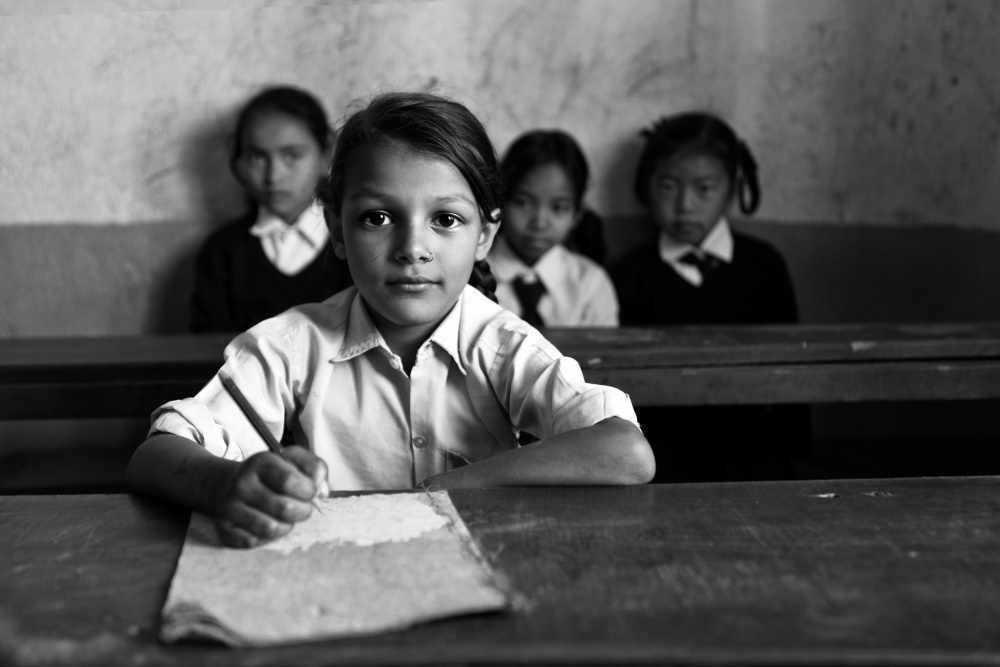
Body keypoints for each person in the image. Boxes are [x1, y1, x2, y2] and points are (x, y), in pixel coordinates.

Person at [127, 92, 655, 548]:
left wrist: (448, 489)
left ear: (484, 236)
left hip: (480, 569)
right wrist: (228, 485)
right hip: (336, 574)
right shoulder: (292, 346)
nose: (411, 249)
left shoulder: (501, 347)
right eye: (376, 218)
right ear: (337, 229)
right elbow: (155, 456)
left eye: (445, 220)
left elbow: (625, 452)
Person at [613, 111, 807, 483]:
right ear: (646, 187)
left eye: (704, 189)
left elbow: (795, 371)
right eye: (669, 187)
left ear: (731, 189)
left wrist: (796, 454)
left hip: (750, 448)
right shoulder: (629, 273)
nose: (685, 204)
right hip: (656, 452)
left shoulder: (764, 266)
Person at [190, 85, 352, 333]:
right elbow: (207, 349)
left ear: (327, 151)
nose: (273, 176)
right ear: (238, 162)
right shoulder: (223, 252)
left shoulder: (353, 241)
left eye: (292, 156)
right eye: (258, 157)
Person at [488, 130, 618, 327]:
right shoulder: (472, 275)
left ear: (576, 215)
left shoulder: (591, 283)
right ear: (502, 201)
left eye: (558, 208)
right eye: (524, 203)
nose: (539, 222)